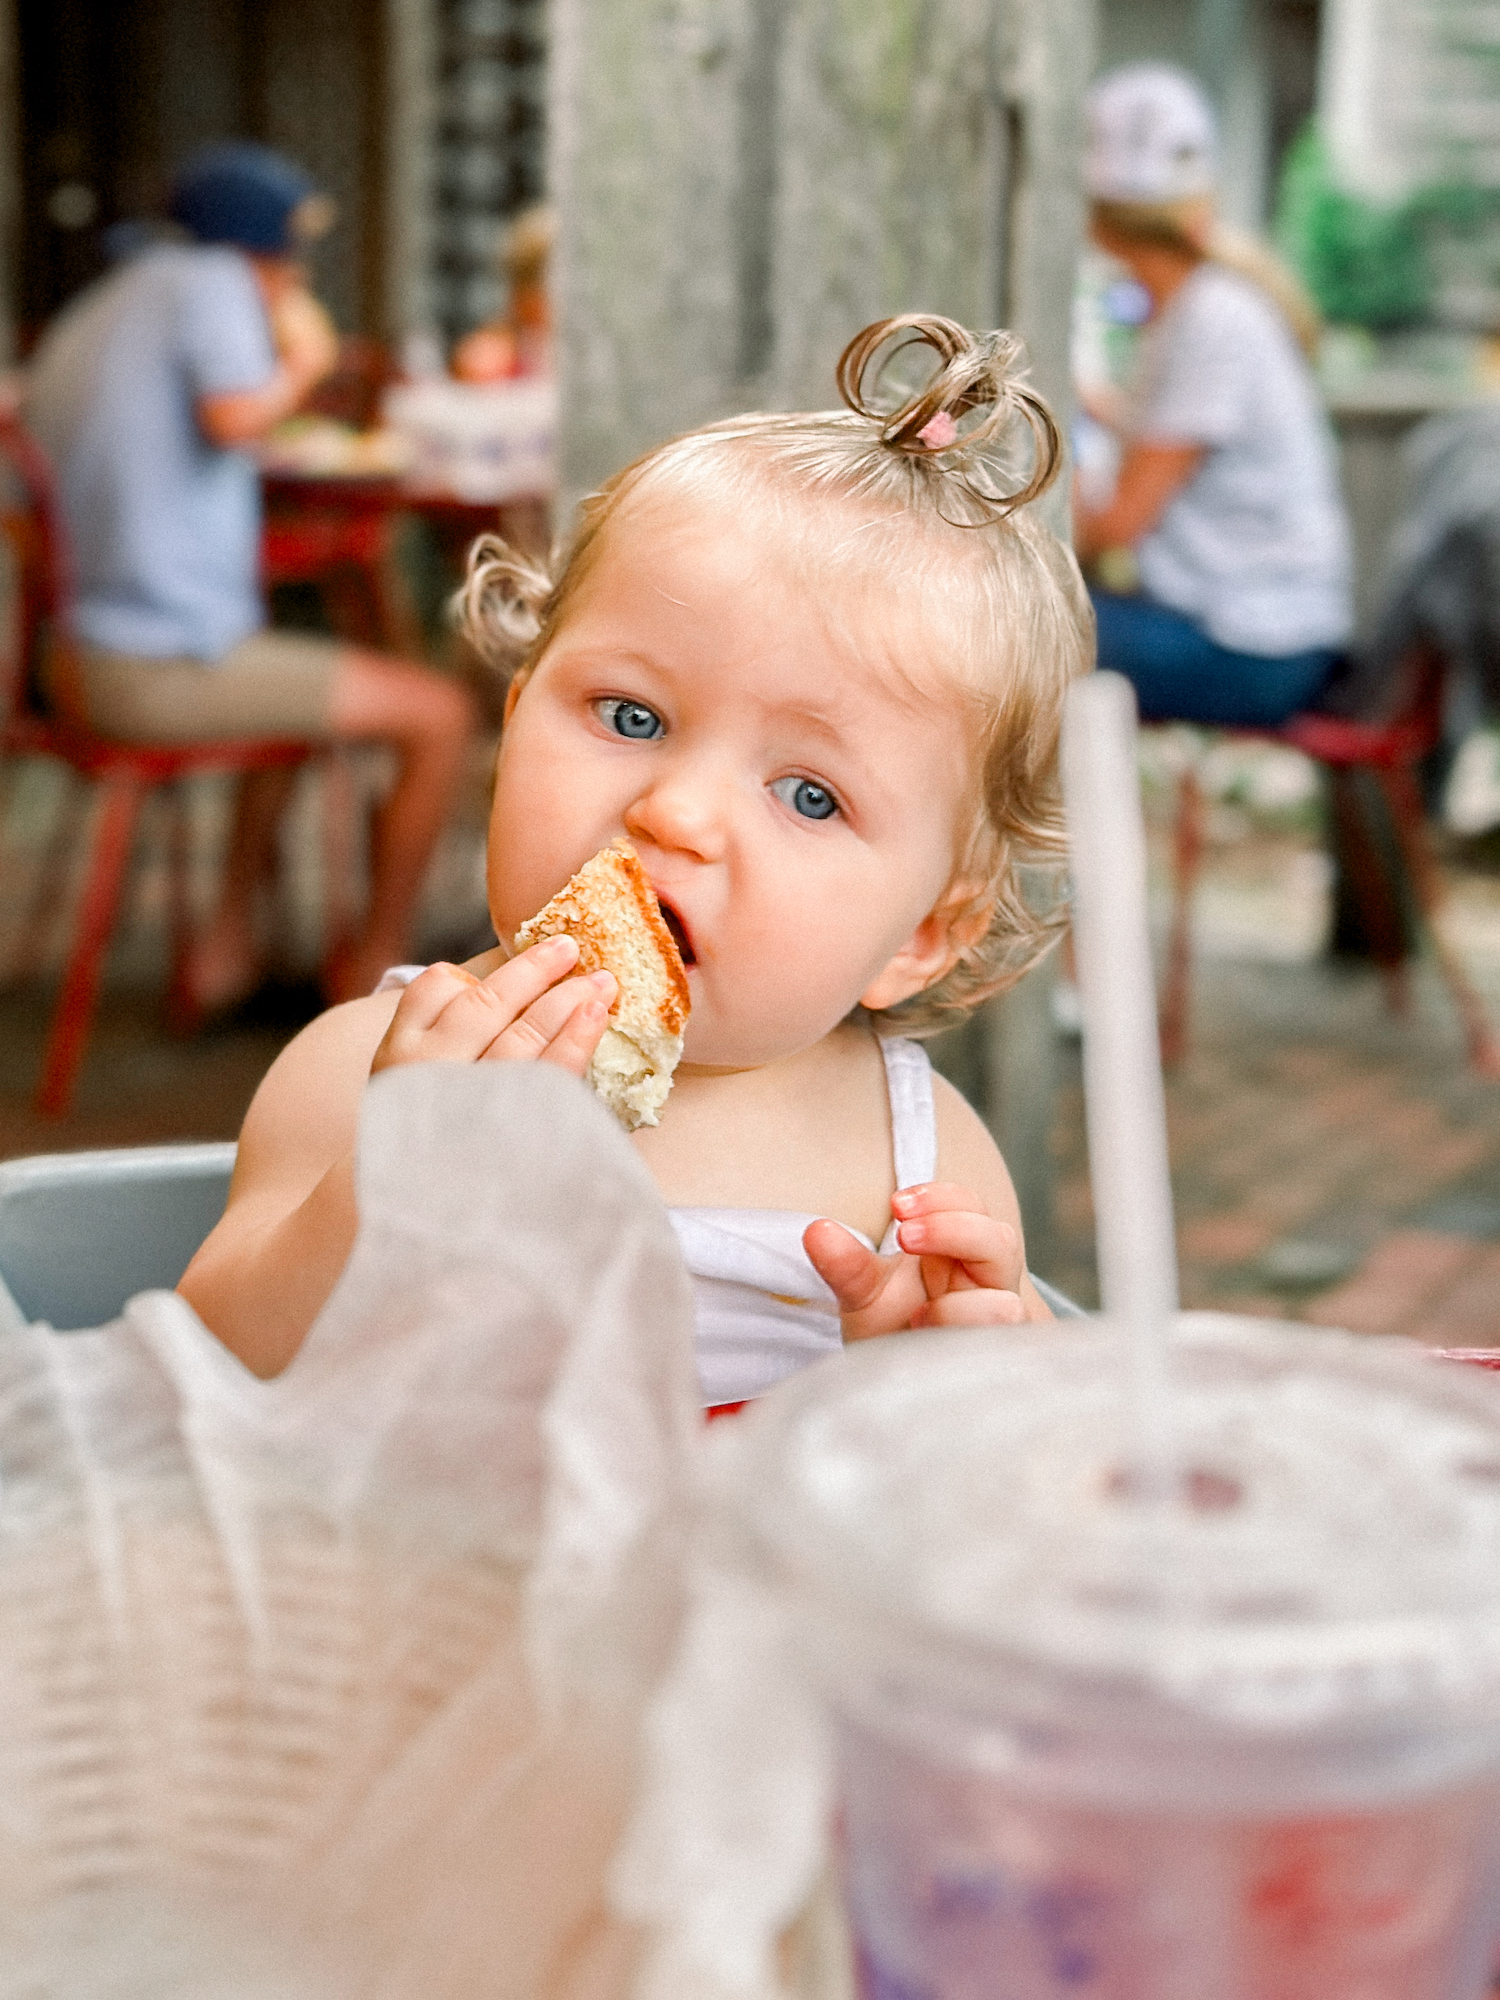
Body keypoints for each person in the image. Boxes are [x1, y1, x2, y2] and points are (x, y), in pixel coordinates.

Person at [178, 314, 1095, 1401]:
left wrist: (949, 1392)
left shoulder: (919, 1164)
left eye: (810, 794)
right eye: (630, 714)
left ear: (924, 934)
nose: (678, 813)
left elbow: (960, 1521)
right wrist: (379, 1188)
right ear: (515, 725)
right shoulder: (376, 1065)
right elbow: (204, 1376)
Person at [23, 141, 476, 1015]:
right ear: (263, 253)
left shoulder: (107, 302)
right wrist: (304, 361)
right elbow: (235, 416)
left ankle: (225, 951)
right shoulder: (211, 284)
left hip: (75, 656)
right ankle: (373, 973)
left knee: (298, 703)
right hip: (149, 671)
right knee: (441, 715)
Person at [1073, 64, 1353, 728]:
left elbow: (1115, 526)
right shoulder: (1203, 307)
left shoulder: (1212, 321)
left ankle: (1076, 833)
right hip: (1264, 629)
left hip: (1256, 646)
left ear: (1101, 224)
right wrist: (1093, 409)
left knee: (1019, 632)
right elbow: (1164, 442)